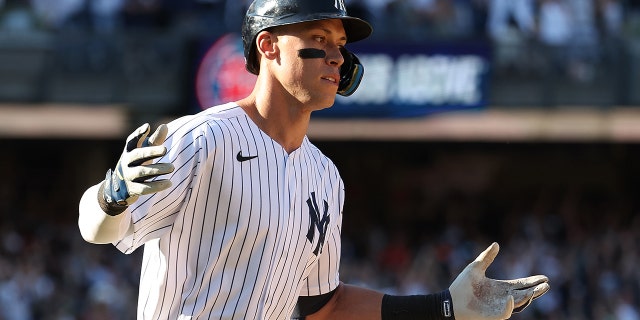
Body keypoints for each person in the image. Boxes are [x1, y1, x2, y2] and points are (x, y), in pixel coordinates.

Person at [78, 0, 550, 318]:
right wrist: (110, 196)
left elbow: (324, 306)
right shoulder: (201, 139)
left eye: (340, 45)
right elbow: (97, 229)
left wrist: (443, 307)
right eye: (320, 39)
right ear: (268, 46)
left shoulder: (324, 176)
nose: (337, 58)